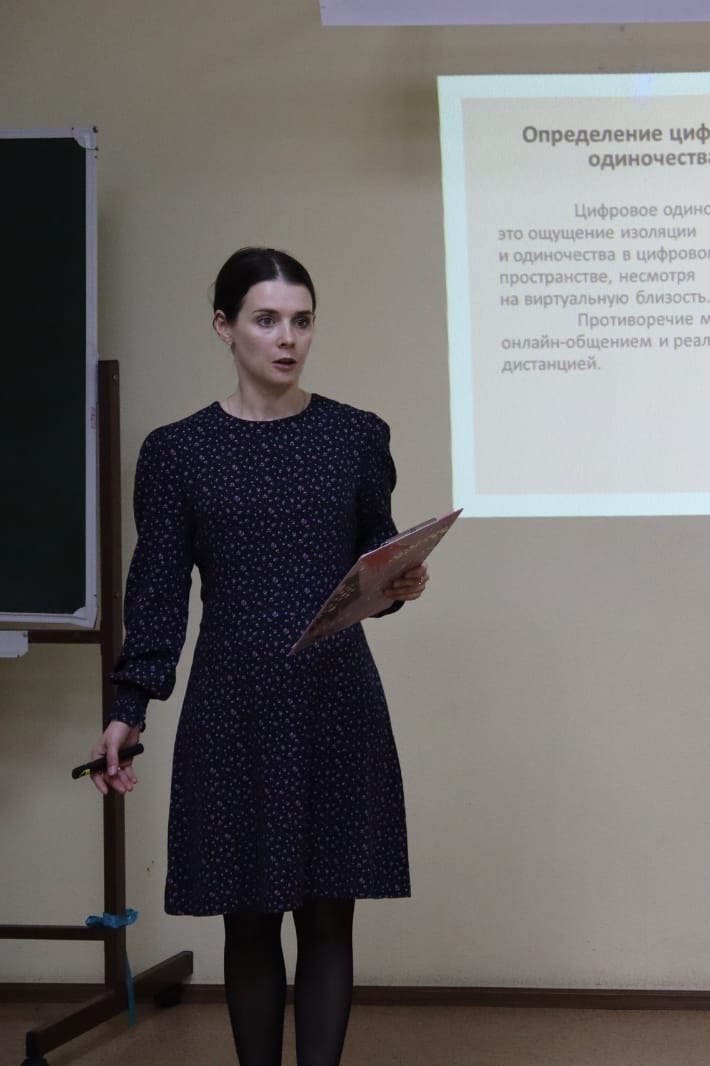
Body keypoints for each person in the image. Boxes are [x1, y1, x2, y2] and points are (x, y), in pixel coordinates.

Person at [87, 247, 428, 1066]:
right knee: (247, 921)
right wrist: (129, 709)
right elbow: (158, 592)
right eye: (267, 320)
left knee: (329, 917)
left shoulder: (355, 436)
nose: (288, 338)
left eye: (302, 321)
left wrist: (401, 582)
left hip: (336, 699)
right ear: (224, 327)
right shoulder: (179, 451)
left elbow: (376, 561)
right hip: (232, 703)